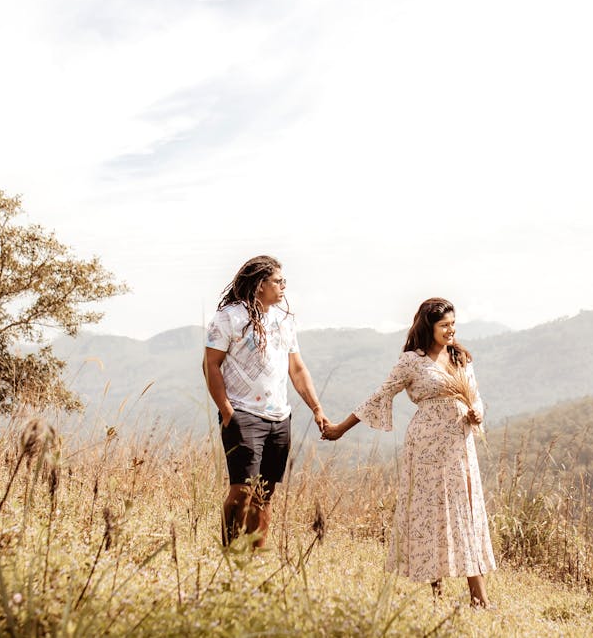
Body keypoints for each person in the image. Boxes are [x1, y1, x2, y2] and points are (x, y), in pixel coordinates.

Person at [322, 297, 496, 607]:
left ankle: (478, 598)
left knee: (465, 510)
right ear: (428, 327)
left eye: (453, 324)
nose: (451, 330)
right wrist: (339, 429)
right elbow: (380, 395)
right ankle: (436, 593)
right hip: (426, 444)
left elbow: (476, 397)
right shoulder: (411, 362)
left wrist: (477, 413)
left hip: (460, 443)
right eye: (444, 325)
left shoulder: (460, 358)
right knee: (428, 511)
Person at [203, 255, 330, 548]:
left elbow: (297, 369)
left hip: (279, 417)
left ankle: (256, 559)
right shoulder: (229, 318)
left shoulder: (283, 321)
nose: (284, 286)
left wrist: (316, 408)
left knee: (265, 493)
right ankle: (231, 557)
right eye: (278, 281)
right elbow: (211, 365)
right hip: (242, 413)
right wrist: (226, 411)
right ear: (260, 284)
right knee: (242, 491)